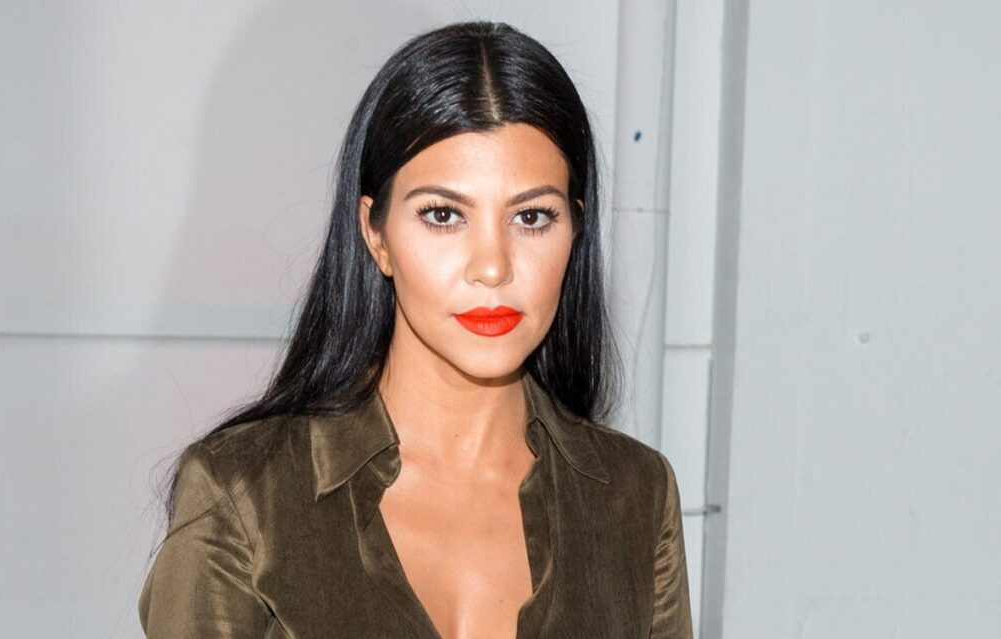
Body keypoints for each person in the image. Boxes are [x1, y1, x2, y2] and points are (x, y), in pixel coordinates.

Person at [138, 20, 693, 638]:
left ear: (575, 230)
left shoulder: (636, 496)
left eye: (533, 217)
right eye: (444, 215)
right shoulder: (244, 494)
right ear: (375, 233)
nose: (493, 267)